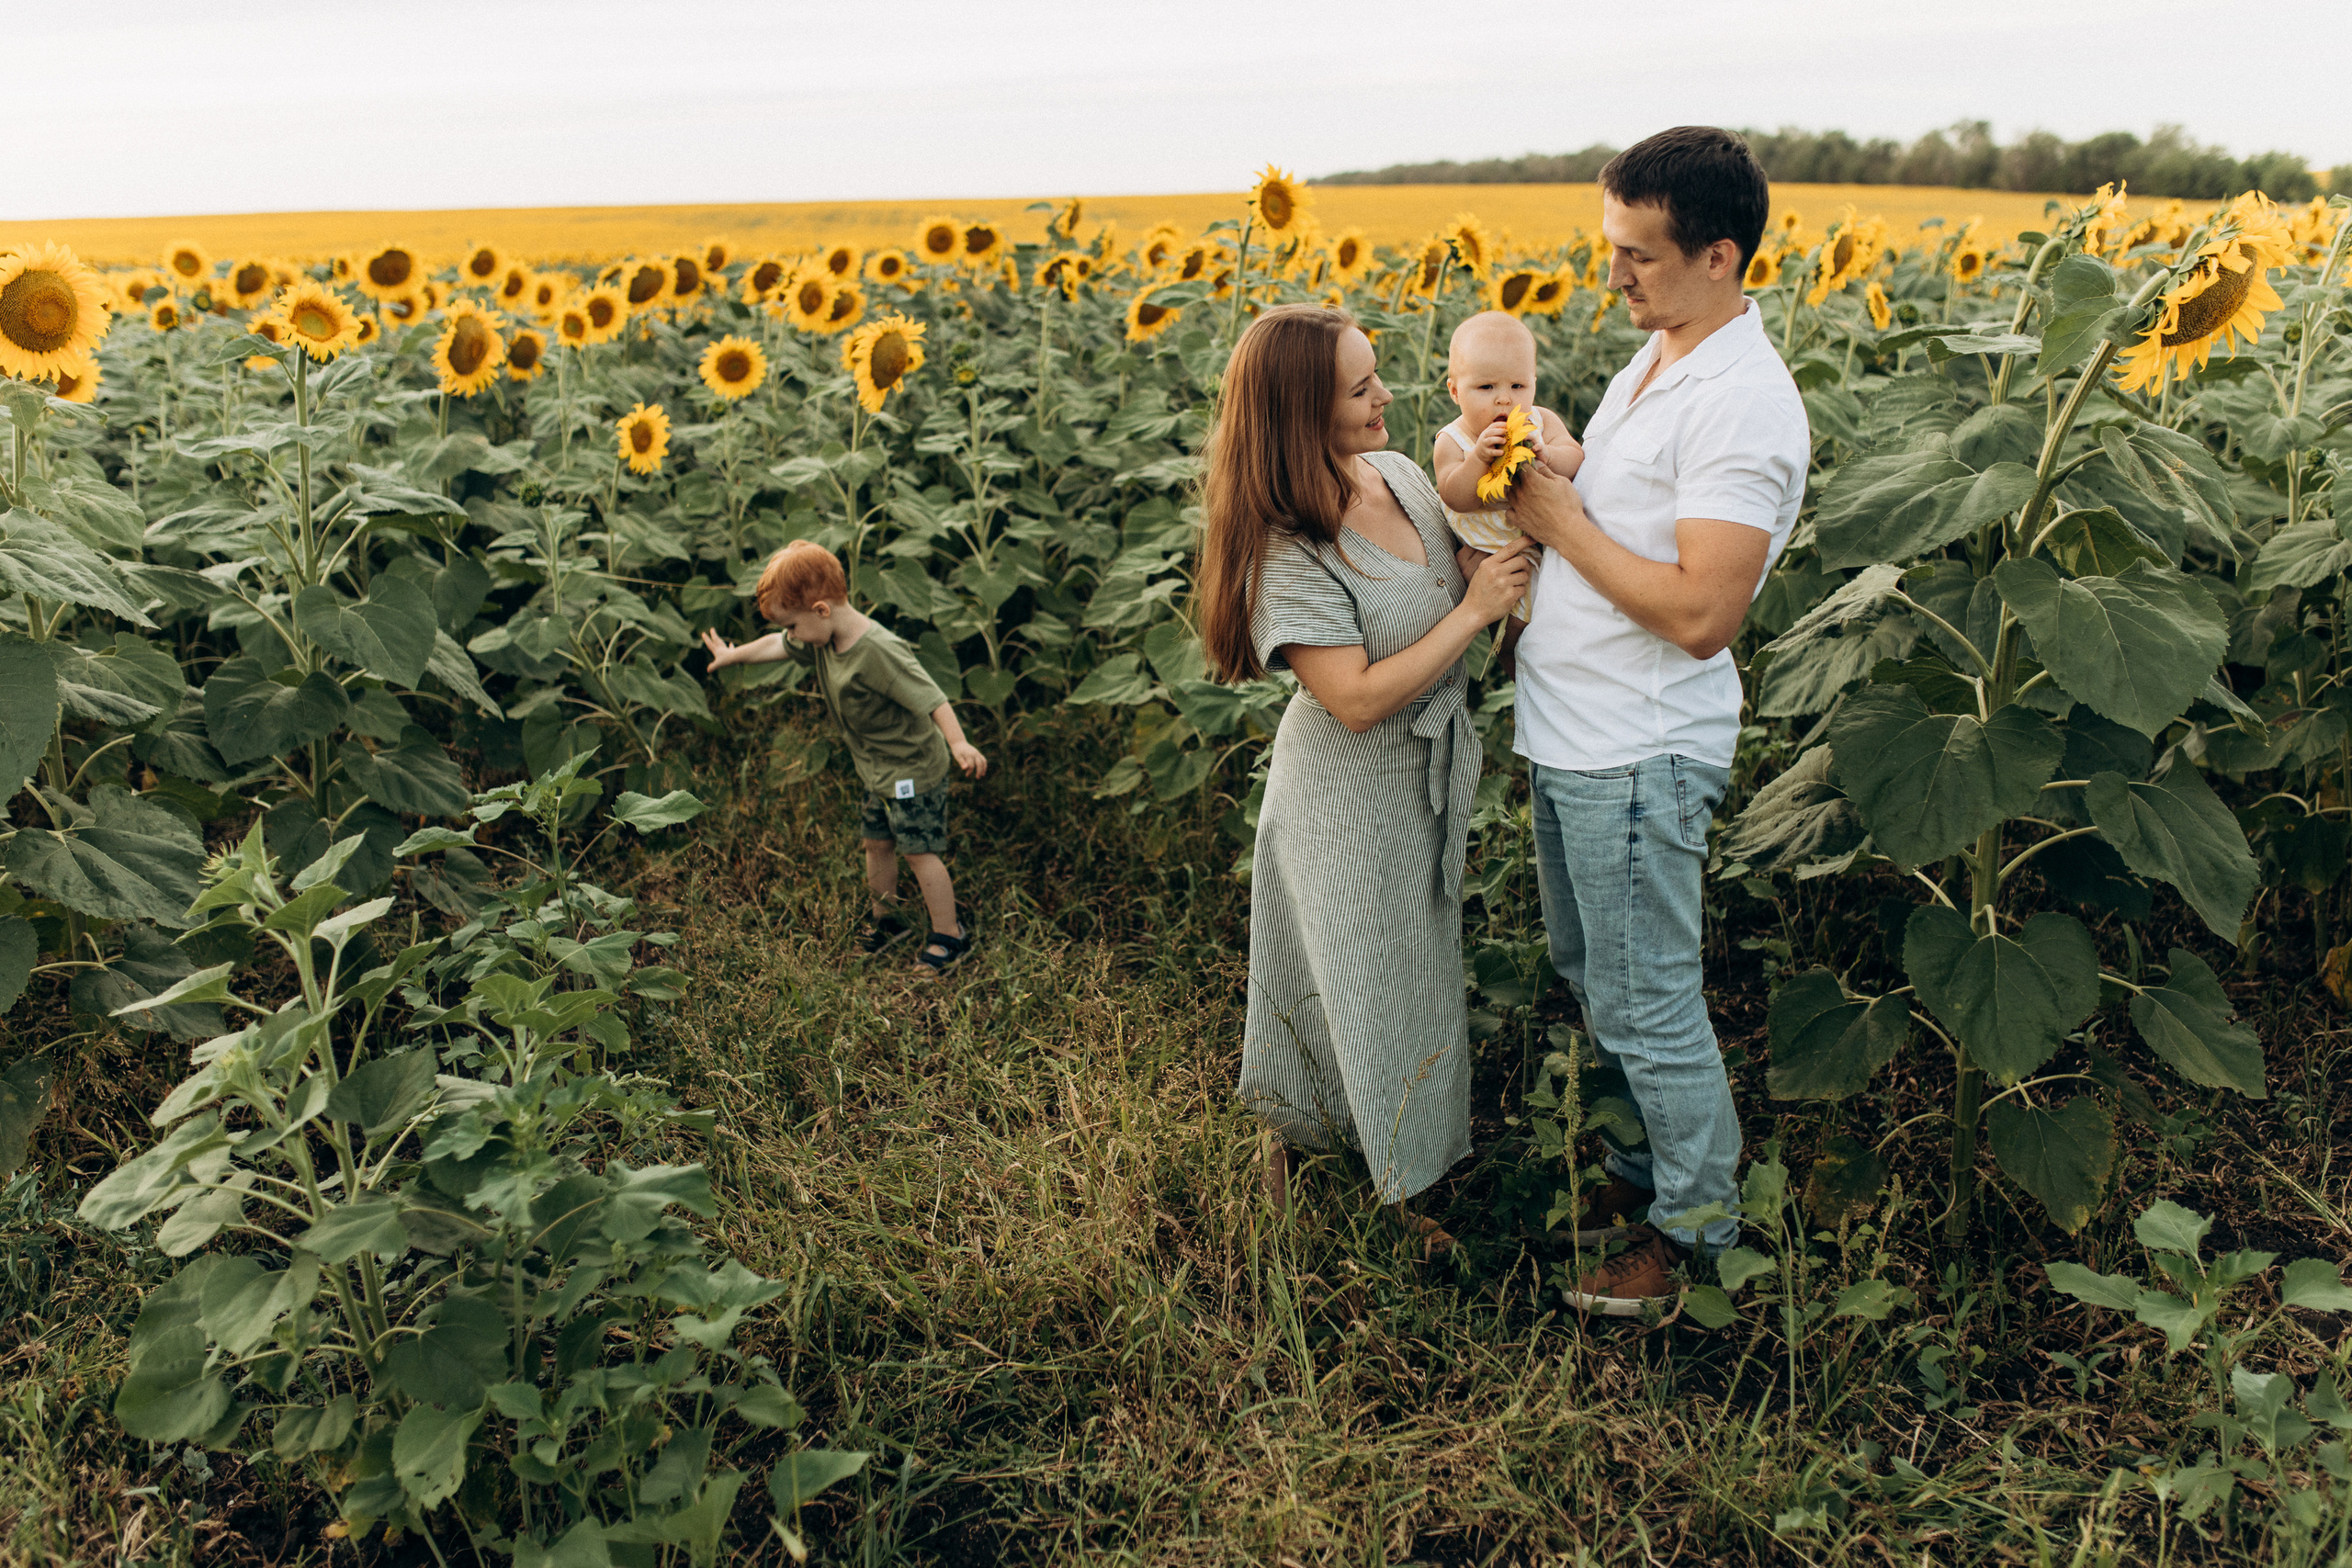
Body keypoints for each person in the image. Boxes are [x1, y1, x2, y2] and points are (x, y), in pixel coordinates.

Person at [1505, 127, 1810, 1312]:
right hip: (1579, 736)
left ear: (1719, 254)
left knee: (1649, 998)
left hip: (1638, 749)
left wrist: (1556, 516)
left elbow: (1700, 611)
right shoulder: (1664, 355)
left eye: (1636, 255)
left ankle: (1694, 1240)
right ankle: (1646, 1172)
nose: (1612, 277)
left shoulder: (1741, 405)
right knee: (1600, 975)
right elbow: (1624, 516)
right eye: (1608, 248)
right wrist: (1550, 460)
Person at [1196, 303, 1533, 1255]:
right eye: (1360, 387)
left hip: (1418, 776)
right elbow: (1350, 696)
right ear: (1301, 409)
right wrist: (1472, 612)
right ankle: (1386, 1190)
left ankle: (1365, 1153)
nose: (1387, 394)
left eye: (1377, 374)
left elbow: (1456, 569)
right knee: (1352, 972)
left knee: (1411, 972)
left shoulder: (1394, 473)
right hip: (1339, 790)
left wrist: (1493, 575)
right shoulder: (1282, 540)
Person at [703, 540, 989, 976]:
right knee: (876, 842)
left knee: (919, 851)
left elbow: (932, 697)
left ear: (821, 610)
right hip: (878, 770)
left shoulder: (877, 650)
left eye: (794, 626)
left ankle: (949, 935)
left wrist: (959, 743)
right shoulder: (823, 636)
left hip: (912, 769)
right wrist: (732, 655)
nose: (792, 636)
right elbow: (773, 646)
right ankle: (886, 920)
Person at [1429, 310, 1583, 660]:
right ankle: (1515, 665)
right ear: (1455, 391)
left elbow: (1575, 458)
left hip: (1548, 545)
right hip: (1494, 557)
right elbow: (1454, 495)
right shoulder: (1453, 441)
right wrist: (1478, 459)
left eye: (1518, 386)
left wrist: (1548, 454)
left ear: (1533, 384)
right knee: (1517, 633)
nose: (1505, 399)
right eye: (1486, 387)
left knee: (1564, 623)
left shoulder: (1541, 422)